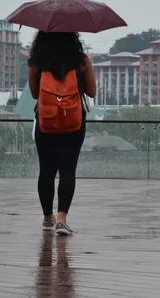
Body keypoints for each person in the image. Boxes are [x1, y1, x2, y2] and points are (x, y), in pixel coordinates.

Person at [28, 31, 96, 236]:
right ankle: (61, 219)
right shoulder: (81, 60)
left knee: (46, 170)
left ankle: (47, 217)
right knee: (67, 170)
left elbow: (33, 94)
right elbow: (91, 92)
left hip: (45, 121)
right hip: (73, 122)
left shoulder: (37, 61)